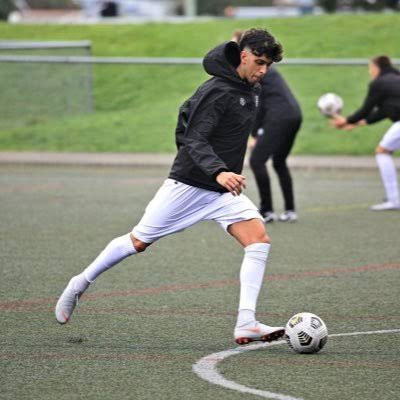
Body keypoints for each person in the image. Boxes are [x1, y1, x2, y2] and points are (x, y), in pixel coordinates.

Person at [55, 29, 286, 345]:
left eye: (268, 66)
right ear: (243, 55)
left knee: (258, 240)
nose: (263, 71)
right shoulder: (218, 90)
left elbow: (186, 117)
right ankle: (79, 283)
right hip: (189, 186)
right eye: (258, 62)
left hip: (222, 192)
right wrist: (217, 170)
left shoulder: (247, 89)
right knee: (137, 241)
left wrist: (223, 174)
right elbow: (193, 136)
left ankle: (246, 321)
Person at [232, 30, 302, 223]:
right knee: (279, 161)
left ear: (245, 53)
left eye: (233, 45)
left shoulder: (255, 69)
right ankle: (289, 210)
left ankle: (267, 211)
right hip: (294, 114)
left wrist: (254, 134)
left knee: (256, 161)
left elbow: (258, 103)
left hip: (279, 116)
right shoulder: (262, 68)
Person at [332, 55, 400, 211]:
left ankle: (394, 199)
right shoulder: (395, 79)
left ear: (377, 67)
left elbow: (365, 109)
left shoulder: (379, 83)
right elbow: (383, 111)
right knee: (384, 151)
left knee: (382, 152)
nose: (370, 72)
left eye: (370, 68)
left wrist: (346, 121)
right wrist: (356, 124)